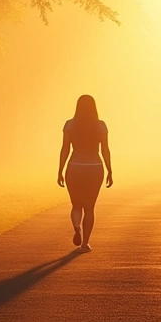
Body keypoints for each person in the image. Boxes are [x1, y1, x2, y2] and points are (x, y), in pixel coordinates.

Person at [56, 94, 113, 252]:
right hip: (95, 168)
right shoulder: (101, 126)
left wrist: (60, 170)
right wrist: (110, 170)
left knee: (76, 205)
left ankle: (76, 227)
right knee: (89, 208)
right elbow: (105, 150)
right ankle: (85, 243)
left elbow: (65, 149)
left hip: (75, 167)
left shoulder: (70, 125)